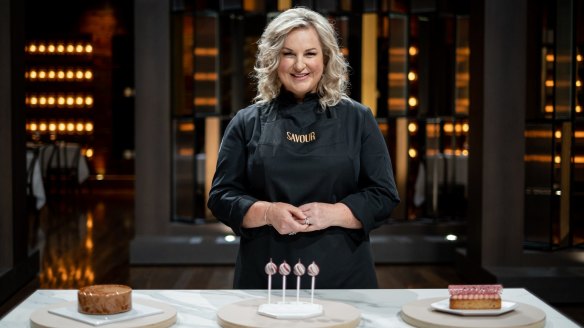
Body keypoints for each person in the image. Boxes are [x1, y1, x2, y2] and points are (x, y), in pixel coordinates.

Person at [208, 7, 400, 289]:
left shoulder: (358, 118)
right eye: (289, 54)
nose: (300, 65)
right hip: (266, 276)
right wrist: (268, 213)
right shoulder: (246, 122)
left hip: (344, 276)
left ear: (326, 58)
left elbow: (384, 196)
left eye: (310, 53)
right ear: (273, 59)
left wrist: (333, 214)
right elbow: (221, 197)